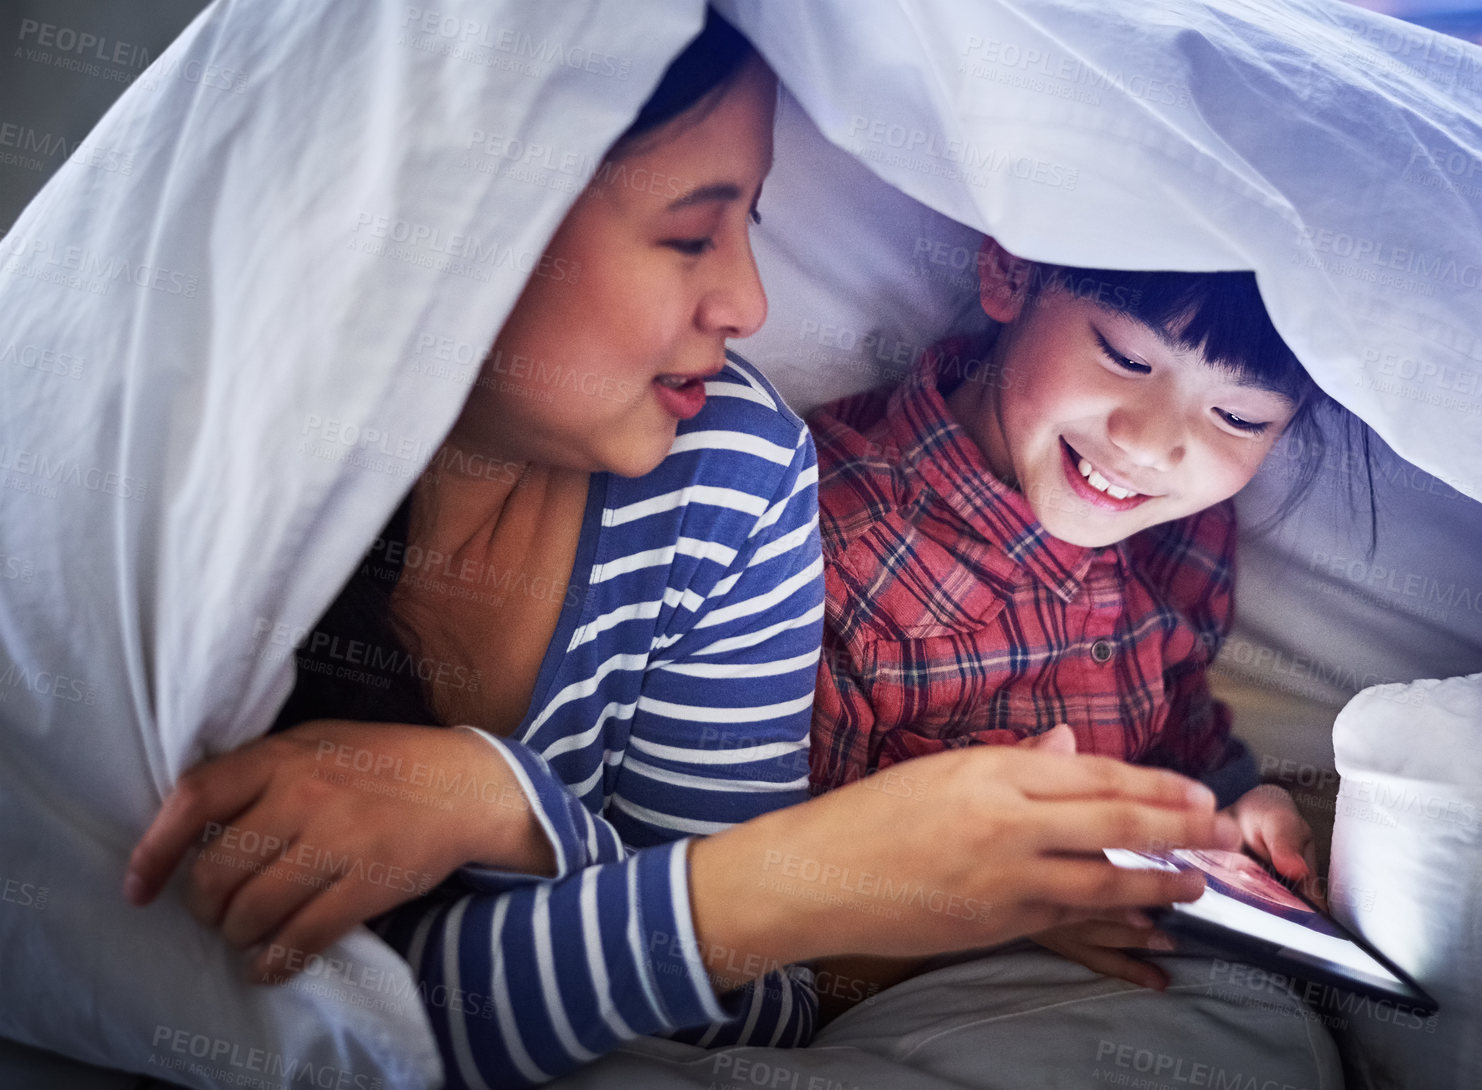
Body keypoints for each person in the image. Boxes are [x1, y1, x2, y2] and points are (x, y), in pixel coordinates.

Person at [121, 12, 1237, 1090]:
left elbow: (746, 1003)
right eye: (690, 235)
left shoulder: (734, 478)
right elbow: (221, 1011)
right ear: (467, 217)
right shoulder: (186, 503)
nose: (748, 300)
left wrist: (498, 803)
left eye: (753, 221)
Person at [807, 247, 1330, 992]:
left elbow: (1187, 771)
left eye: (1237, 416)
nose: (1148, 445)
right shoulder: (829, 556)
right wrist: (1007, 908)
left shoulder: (1185, 535)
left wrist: (1237, 830)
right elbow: (770, 942)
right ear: (1010, 274)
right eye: (1123, 357)